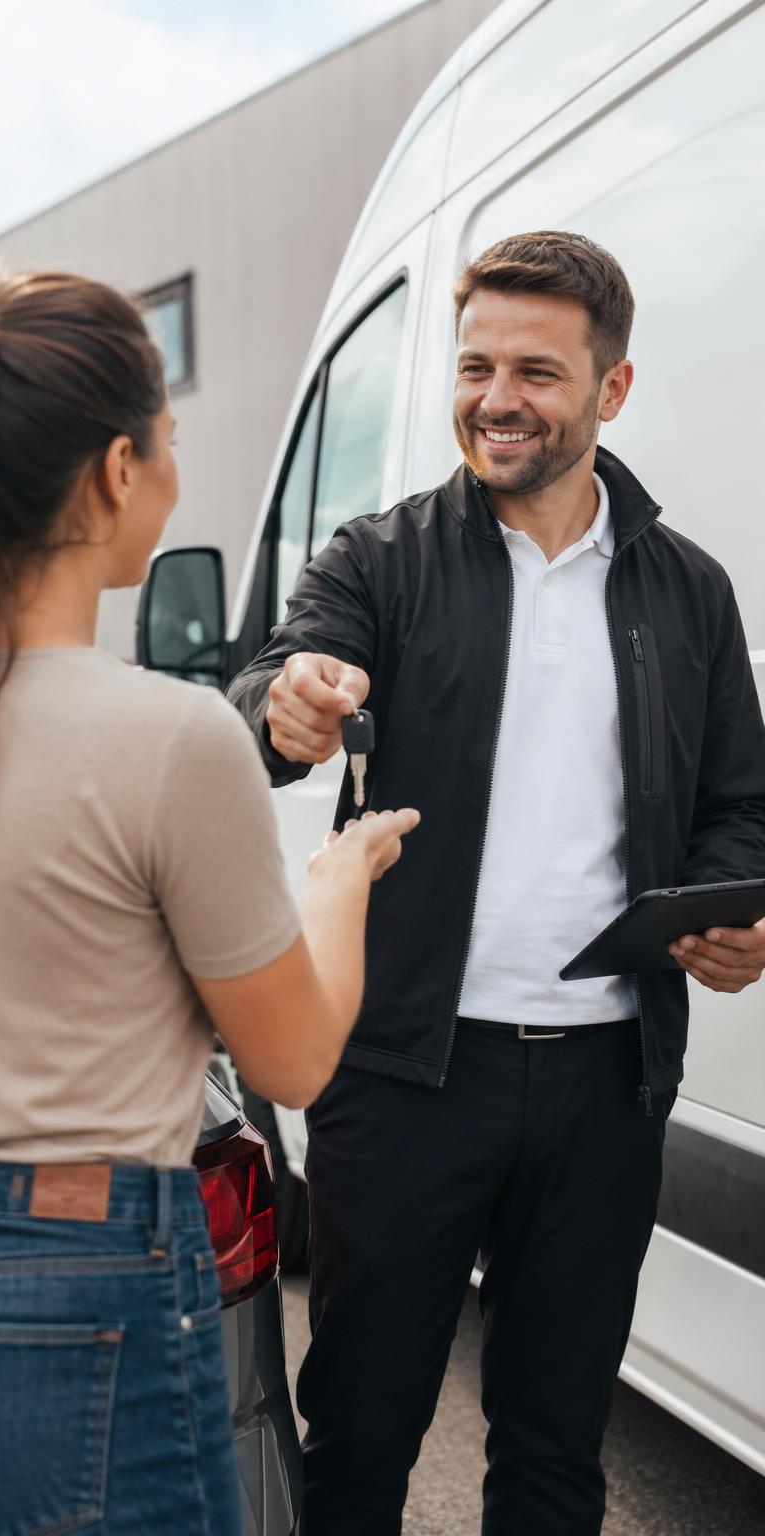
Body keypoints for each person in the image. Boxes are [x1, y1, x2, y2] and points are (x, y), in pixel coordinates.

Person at [0, 272, 419, 1536]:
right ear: (115, 471)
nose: (175, 473)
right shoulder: (170, 736)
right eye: (170, 445)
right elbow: (292, 1062)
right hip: (71, 1320)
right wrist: (338, 887)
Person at [226, 231, 765, 1536]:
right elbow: (269, 682)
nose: (497, 397)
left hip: (606, 1086)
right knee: (357, 1432)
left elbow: (738, 812)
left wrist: (734, 914)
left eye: (536, 368)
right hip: (407, 1076)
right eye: (475, 366)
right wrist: (289, 707)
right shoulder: (380, 558)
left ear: (611, 390)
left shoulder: (688, 591)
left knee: (554, 1447)